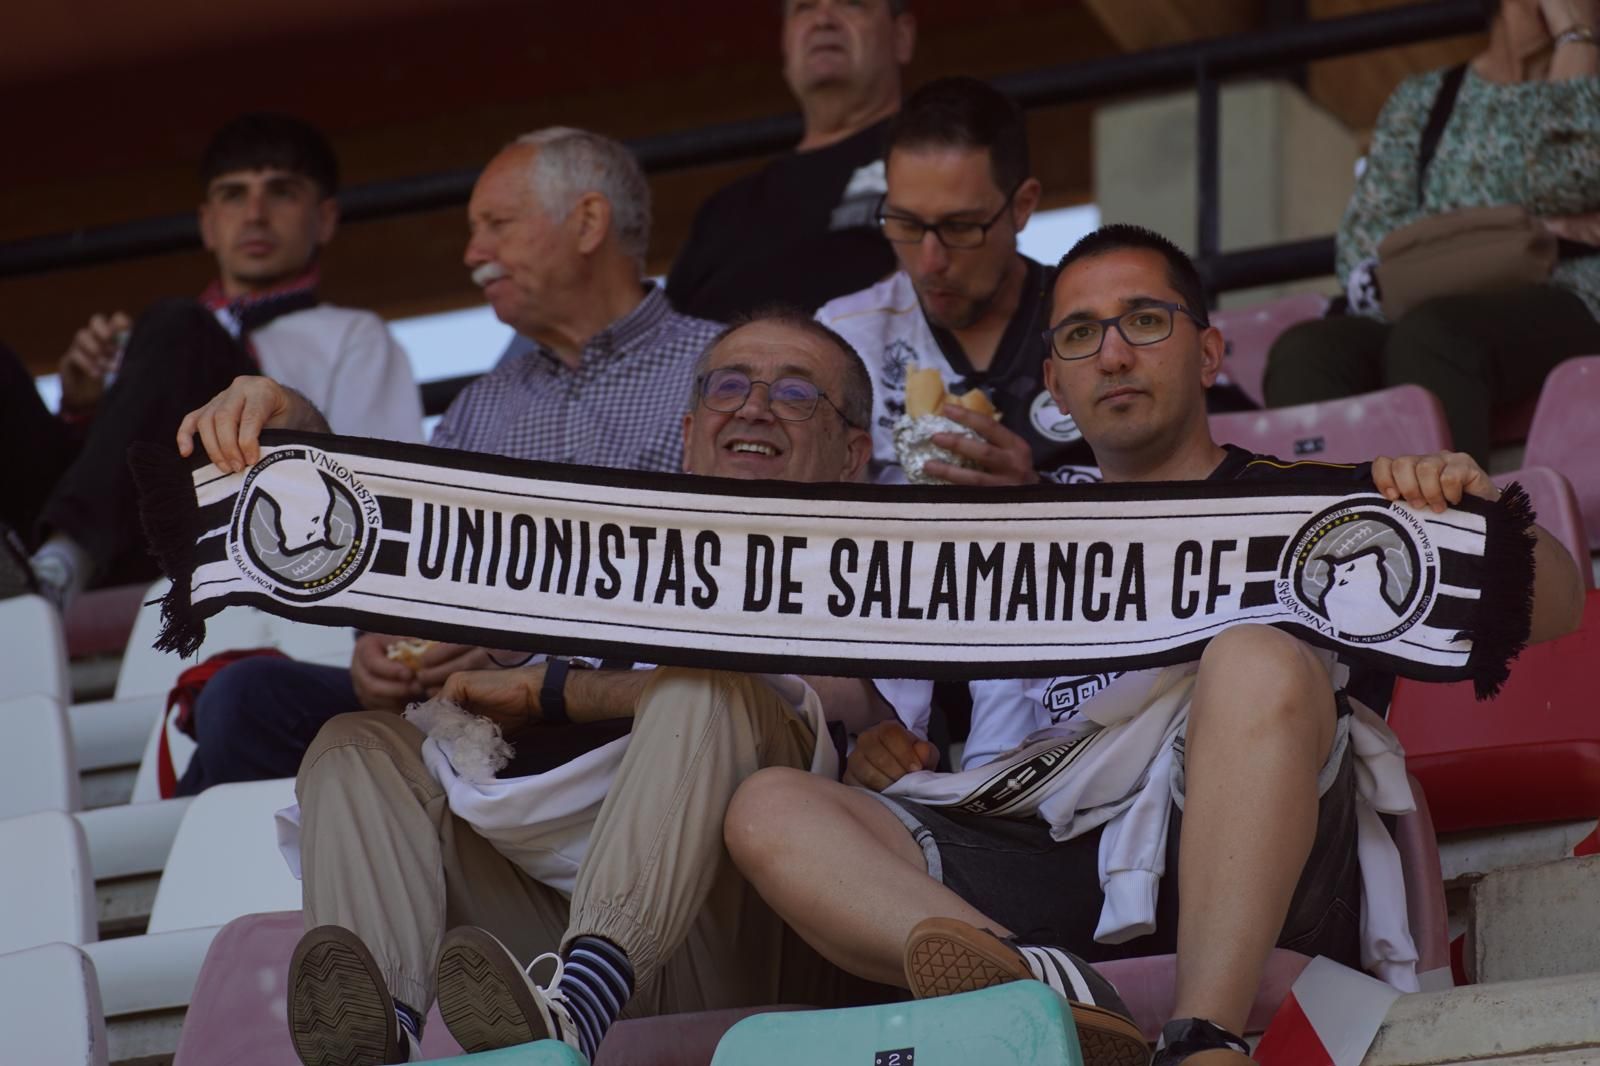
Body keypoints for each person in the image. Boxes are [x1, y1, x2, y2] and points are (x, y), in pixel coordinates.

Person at [724, 225, 1585, 1065]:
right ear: (1055, 389)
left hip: (1265, 858)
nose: (1113, 354)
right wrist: (882, 742)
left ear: (1210, 354)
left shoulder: (1318, 505)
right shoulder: (1012, 541)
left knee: (1251, 655)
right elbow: (912, 723)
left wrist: (1468, 512)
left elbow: (1552, 606)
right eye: (1080, 334)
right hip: (1048, 858)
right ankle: (1047, 994)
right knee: (770, 805)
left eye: (1144, 321)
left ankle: (1200, 1040)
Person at [175, 312, 1008, 1066]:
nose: (754, 407)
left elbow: (836, 707)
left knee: (712, 692)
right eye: (729, 385)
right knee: (356, 745)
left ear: (855, 454)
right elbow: (396, 543)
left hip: (747, 931)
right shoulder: (601, 544)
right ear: (688, 432)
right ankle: (379, 1034)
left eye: (795, 393)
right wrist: (297, 435)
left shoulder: (879, 568)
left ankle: (578, 1008)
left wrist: (557, 692)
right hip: (543, 932)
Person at [171, 128, 723, 795]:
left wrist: (522, 647)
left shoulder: (724, 373)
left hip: (623, 710)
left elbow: (724, 579)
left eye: (496, 225)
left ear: (587, 223)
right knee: (244, 698)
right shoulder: (474, 410)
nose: (473, 254)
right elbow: (407, 565)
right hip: (462, 718)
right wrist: (378, 645)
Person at [0, 113, 421, 609]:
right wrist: (80, 412)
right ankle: (40, 567)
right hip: (123, 532)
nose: (256, 214)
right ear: (207, 224)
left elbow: (383, 488)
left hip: (241, 533)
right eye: (233, 194)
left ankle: (59, 568)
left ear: (325, 218)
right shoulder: (153, 340)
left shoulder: (353, 333)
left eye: (281, 192)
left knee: (181, 323)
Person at [1262, 0, 1600, 466]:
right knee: (1307, 351)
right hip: (1421, 309)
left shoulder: (1593, 89)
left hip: (1570, 301)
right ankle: (1326, 529)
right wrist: (1536, 228)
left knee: (1437, 336)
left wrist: (1577, 43)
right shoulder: (1427, 97)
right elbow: (1364, 241)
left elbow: (1567, 179)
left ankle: (1450, 533)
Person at [817, 76, 1097, 486]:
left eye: (961, 227)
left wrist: (1040, 502)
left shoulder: (1105, 330)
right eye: (905, 222)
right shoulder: (842, 338)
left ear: (1022, 207)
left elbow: (1187, 502)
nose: (930, 262)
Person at [664, 0, 914, 321]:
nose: (823, 19)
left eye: (851, 4)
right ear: (785, 46)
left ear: (902, 37)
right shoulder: (722, 211)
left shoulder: (930, 158)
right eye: (804, 8)